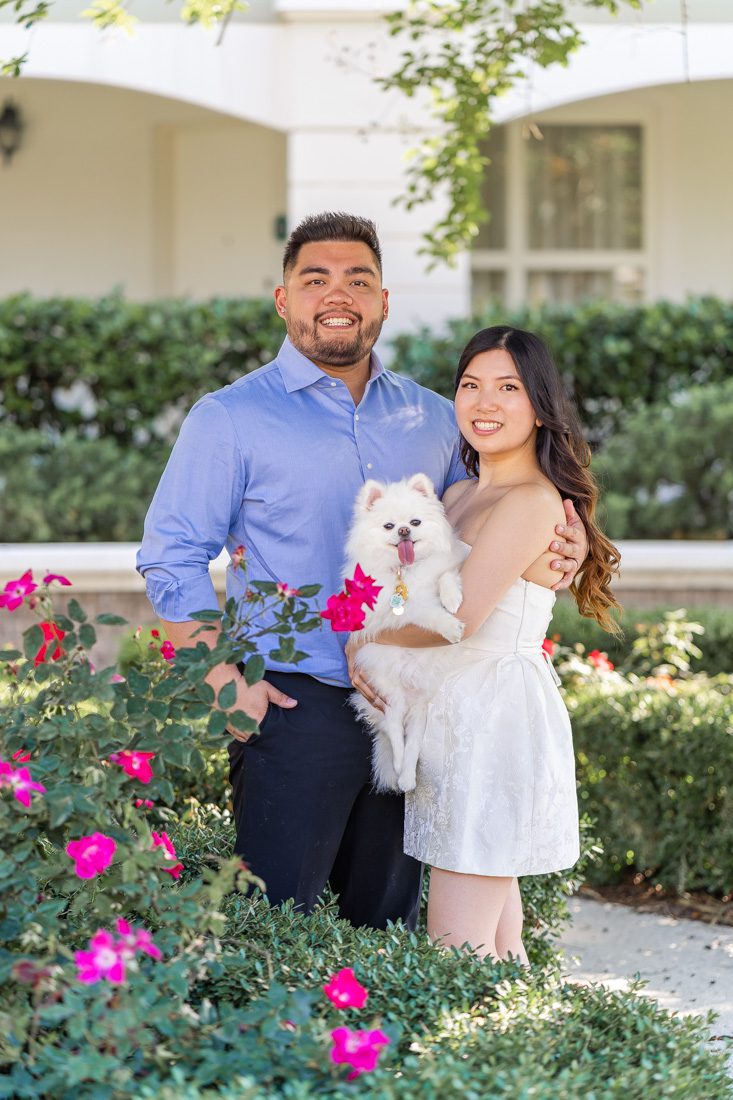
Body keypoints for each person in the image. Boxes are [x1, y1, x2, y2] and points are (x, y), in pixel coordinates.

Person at [136, 213, 585, 931]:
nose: (335, 295)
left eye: (357, 280)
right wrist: (224, 681)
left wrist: (568, 549)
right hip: (294, 704)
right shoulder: (228, 419)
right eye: (315, 280)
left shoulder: (439, 418)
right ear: (284, 300)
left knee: (391, 934)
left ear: (383, 301)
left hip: (413, 709)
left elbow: (495, 512)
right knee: (274, 929)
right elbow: (171, 553)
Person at [350, 325, 620, 960]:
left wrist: (359, 639)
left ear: (540, 405)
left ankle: (482, 1056)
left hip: (494, 721)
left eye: (508, 388)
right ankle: (521, 1051)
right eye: (470, 386)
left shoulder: (530, 500)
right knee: (497, 942)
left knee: (456, 947)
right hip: (452, 715)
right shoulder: (458, 493)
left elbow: (458, 618)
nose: (485, 403)